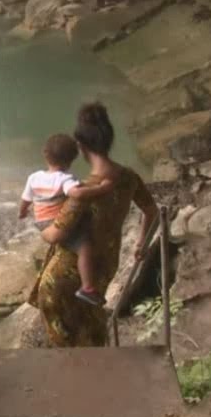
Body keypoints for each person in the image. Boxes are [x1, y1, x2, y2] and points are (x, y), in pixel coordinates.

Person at [30, 102, 159, 347]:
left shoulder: (83, 192)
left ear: (80, 147)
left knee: (68, 342)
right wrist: (142, 241)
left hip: (63, 279)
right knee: (92, 326)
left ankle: (78, 380)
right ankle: (99, 377)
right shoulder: (129, 177)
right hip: (104, 265)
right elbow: (151, 210)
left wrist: (39, 224)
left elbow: (56, 235)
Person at [19, 134, 114, 306]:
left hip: (41, 223)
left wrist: (23, 212)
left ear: (45, 153)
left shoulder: (33, 177)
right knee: (84, 247)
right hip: (57, 224)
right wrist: (101, 188)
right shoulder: (65, 179)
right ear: (71, 160)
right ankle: (87, 287)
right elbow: (76, 193)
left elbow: (25, 200)